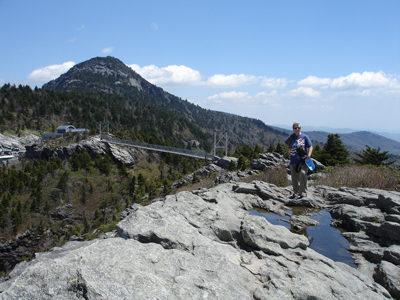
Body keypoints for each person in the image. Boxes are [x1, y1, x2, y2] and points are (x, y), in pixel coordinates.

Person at [285, 122, 313, 198]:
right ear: (293, 129)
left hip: (303, 160)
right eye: (295, 128)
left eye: (299, 128)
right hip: (293, 160)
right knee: (294, 177)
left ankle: (303, 192)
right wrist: (290, 150)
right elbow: (286, 143)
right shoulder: (291, 137)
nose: (297, 129)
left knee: (303, 173)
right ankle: (296, 192)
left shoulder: (304, 137)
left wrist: (309, 155)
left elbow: (310, 146)